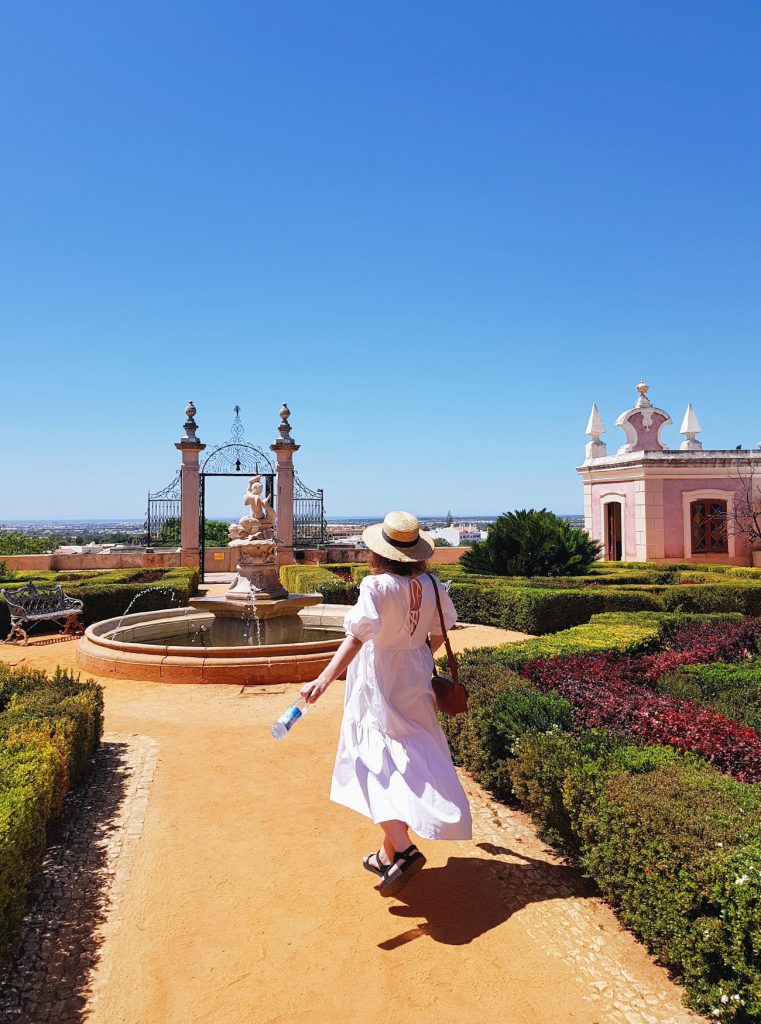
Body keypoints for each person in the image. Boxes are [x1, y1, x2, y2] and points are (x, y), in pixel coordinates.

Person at [300, 511, 472, 898]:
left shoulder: (375, 587)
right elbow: (440, 629)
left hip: (379, 675)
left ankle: (406, 850)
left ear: (380, 553)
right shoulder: (430, 583)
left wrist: (323, 680)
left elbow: (357, 638)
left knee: (369, 759)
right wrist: (418, 655)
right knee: (410, 754)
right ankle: (384, 854)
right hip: (415, 672)